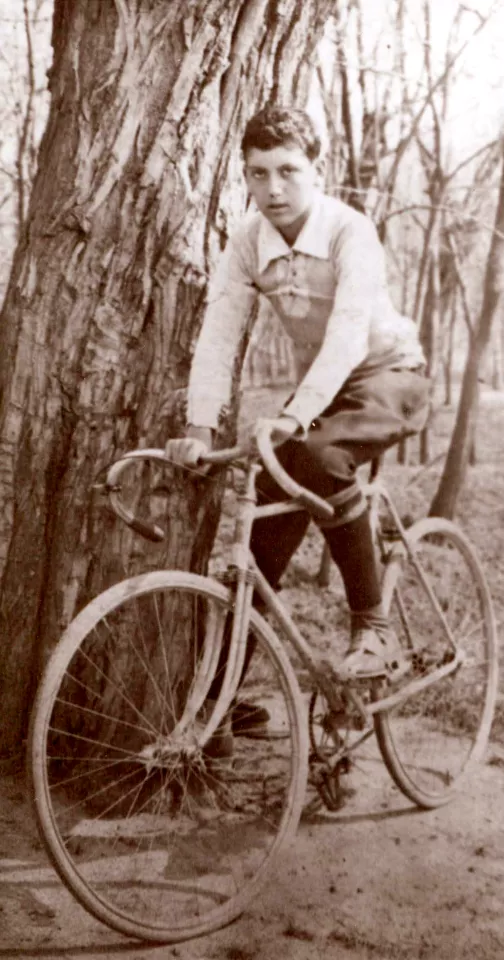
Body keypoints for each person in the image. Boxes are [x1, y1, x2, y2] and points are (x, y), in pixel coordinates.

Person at [166, 105, 430, 731]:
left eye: (288, 170)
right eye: (258, 174)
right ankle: (219, 703)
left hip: (389, 375)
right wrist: (200, 427)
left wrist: (292, 416)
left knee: (315, 454)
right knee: (267, 509)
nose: (274, 189)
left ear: (318, 170)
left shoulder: (349, 230)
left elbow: (348, 333)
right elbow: (219, 333)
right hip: (326, 394)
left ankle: (373, 626)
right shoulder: (248, 241)